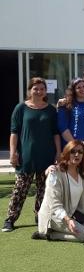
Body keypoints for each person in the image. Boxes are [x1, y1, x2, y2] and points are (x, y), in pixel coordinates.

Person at [3, 77, 61, 233]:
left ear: (45, 91)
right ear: (30, 90)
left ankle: (40, 216)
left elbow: (56, 133)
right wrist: (13, 152)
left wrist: (58, 152)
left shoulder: (51, 110)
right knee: (20, 189)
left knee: (44, 190)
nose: (39, 91)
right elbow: (14, 132)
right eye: (35, 88)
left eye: (42, 88)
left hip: (47, 156)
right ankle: (10, 219)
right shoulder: (21, 108)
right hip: (26, 156)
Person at [33, 140, 84, 242]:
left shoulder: (81, 174)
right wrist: (68, 220)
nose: (76, 154)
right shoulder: (55, 173)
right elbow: (54, 204)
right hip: (55, 216)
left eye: (80, 152)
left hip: (72, 213)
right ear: (67, 153)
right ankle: (49, 234)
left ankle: (72, 227)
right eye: (73, 151)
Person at [57, 78, 84, 145]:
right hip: (73, 147)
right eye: (78, 87)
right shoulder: (66, 104)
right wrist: (75, 145)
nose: (82, 89)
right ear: (73, 90)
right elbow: (63, 127)